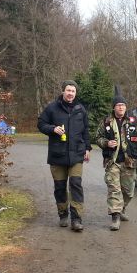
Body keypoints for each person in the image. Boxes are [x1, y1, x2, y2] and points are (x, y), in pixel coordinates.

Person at [37, 80, 91, 232]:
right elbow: (41, 124)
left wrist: (87, 148)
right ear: (63, 91)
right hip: (57, 155)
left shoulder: (80, 109)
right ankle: (62, 214)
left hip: (76, 154)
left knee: (76, 184)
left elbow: (86, 130)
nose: (70, 93)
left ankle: (76, 219)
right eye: (68, 90)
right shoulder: (52, 108)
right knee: (60, 187)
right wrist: (52, 129)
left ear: (75, 93)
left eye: (73, 91)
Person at [96, 87, 137, 231]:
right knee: (114, 189)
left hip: (129, 162)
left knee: (129, 191)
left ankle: (121, 208)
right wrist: (106, 143)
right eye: (118, 105)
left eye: (123, 105)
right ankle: (115, 216)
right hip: (112, 162)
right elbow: (98, 137)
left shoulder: (133, 121)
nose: (121, 107)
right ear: (114, 107)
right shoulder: (106, 121)